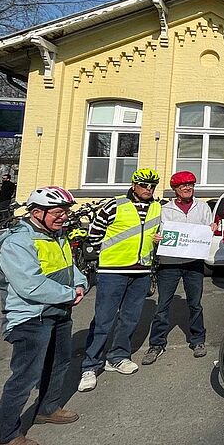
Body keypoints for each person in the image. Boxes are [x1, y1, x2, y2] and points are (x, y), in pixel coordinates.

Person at [0, 186, 86, 445]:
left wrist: (79, 283)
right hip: (30, 317)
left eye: (65, 212)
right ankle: (6, 436)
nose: (63, 217)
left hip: (57, 312)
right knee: (25, 376)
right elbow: (29, 285)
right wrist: (70, 294)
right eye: (58, 212)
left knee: (59, 363)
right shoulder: (17, 242)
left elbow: (71, 267)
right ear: (37, 212)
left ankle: (47, 408)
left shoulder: (56, 236)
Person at [78, 168, 162, 392]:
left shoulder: (156, 207)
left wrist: (157, 240)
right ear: (134, 185)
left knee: (130, 318)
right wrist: (99, 260)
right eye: (144, 185)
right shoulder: (115, 205)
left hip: (141, 270)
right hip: (112, 270)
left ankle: (118, 356)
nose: (148, 189)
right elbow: (95, 234)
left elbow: (155, 234)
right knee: (103, 319)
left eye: (152, 186)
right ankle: (90, 365)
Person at [141, 171, 215, 365]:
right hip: (169, 264)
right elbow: (155, 232)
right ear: (175, 190)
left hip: (194, 263)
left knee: (195, 303)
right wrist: (156, 238)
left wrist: (211, 229)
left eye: (190, 185)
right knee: (162, 305)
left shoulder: (203, 207)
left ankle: (198, 340)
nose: (187, 188)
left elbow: (206, 231)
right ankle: (156, 344)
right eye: (183, 186)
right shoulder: (164, 209)